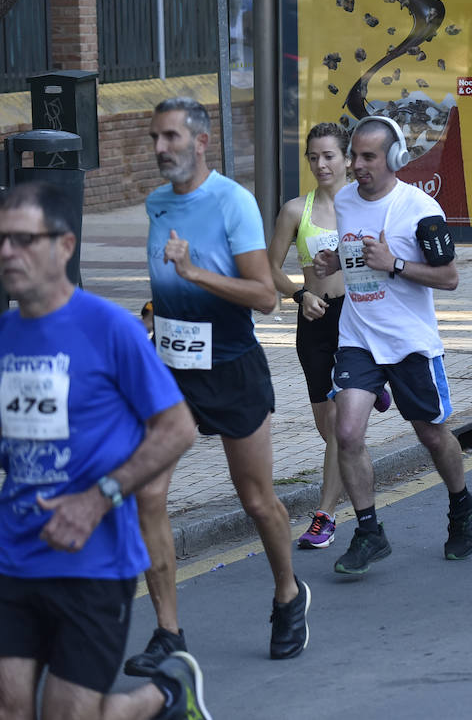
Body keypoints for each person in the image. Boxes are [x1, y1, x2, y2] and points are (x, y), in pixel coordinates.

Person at [0, 182, 212, 720]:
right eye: (2, 240)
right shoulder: (3, 336)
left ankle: (167, 695)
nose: (8, 252)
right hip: (15, 554)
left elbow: (177, 427)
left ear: (64, 246)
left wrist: (98, 499)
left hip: (94, 561)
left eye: (24, 239)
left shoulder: (110, 329)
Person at [132, 98, 309, 672]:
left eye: (171, 138)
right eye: (156, 138)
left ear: (201, 141)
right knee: (149, 494)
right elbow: (167, 283)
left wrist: (193, 274)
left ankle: (288, 593)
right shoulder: (158, 203)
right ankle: (167, 631)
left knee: (257, 500)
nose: (160, 149)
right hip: (171, 373)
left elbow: (265, 297)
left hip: (232, 368)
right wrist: (154, 313)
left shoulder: (233, 202)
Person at [312, 116, 472, 575]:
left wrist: (395, 263)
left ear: (395, 158)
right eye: (355, 156)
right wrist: (331, 261)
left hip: (409, 342)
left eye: (368, 157)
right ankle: (369, 531)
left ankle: (462, 506)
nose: (357, 165)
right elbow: (351, 259)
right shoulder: (344, 201)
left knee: (429, 433)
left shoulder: (420, 209)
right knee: (346, 434)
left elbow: (449, 278)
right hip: (359, 337)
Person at [268, 122, 385, 550]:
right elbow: (270, 268)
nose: (320, 164)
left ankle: (326, 514)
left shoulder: (368, 206)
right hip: (315, 323)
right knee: (328, 428)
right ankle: (357, 496)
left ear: (346, 158)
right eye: (313, 157)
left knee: (339, 427)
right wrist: (299, 295)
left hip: (357, 322)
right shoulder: (296, 210)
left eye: (329, 156)